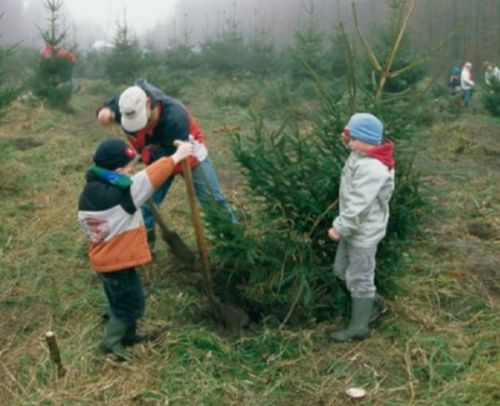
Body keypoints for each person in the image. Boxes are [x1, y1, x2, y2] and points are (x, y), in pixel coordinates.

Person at [77, 138, 193, 360]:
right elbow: (148, 179)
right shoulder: (123, 195)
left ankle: (127, 335)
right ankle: (111, 343)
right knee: (131, 304)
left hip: (105, 261)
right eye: (129, 168)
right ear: (118, 170)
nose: (132, 172)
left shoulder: (92, 190)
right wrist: (177, 156)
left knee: (119, 300)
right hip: (117, 262)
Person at [96, 80, 236, 250]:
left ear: (149, 104)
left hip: (188, 155)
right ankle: (144, 247)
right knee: (143, 203)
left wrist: (138, 158)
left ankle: (234, 244)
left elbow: (166, 155)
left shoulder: (174, 116)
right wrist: (104, 110)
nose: (140, 126)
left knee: (213, 201)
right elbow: (111, 104)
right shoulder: (129, 103)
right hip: (157, 157)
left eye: (143, 121)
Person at [328, 113, 395, 342]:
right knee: (341, 270)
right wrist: (348, 135)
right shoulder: (361, 153)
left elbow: (359, 204)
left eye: (353, 138)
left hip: (363, 233)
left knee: (359, 278)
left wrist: (340, 227)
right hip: (353, 230)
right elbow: (353, 141)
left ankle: (359, 327)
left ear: (367, 140)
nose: (349, 143)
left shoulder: (373, 168)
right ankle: (373, 302)